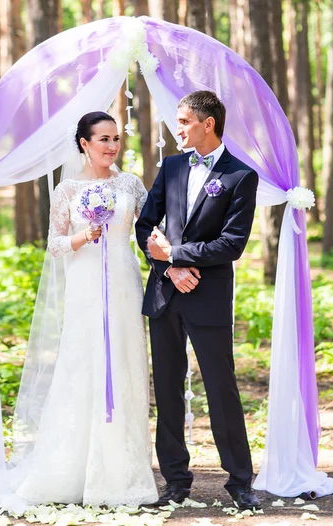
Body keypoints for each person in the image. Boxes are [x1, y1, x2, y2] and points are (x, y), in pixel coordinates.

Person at [0, 111, 158, 511]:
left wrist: (165, 247)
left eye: (116, 138)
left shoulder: (131, 185)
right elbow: (53, 244)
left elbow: (149, 228)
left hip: (123, 283)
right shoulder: (67, 190)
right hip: (85, 287)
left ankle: (120, 473)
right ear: (84, 144)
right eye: (103, 139)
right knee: (83, 365)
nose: (111, 146)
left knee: (124, 367)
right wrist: (81, 237)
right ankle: (73, 469)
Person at [135, 91, 261, 510]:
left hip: (207, 298)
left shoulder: (241, 176)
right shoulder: (170, 167)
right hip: (165, 294)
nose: (179, 128)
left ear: (208, 123)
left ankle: (240, 481)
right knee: (167, 389)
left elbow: (232, 243)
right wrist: (169, 268)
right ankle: (175, 481)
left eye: (185, 120)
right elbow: (145, 226)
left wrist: (179, 256)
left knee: (221, 387)